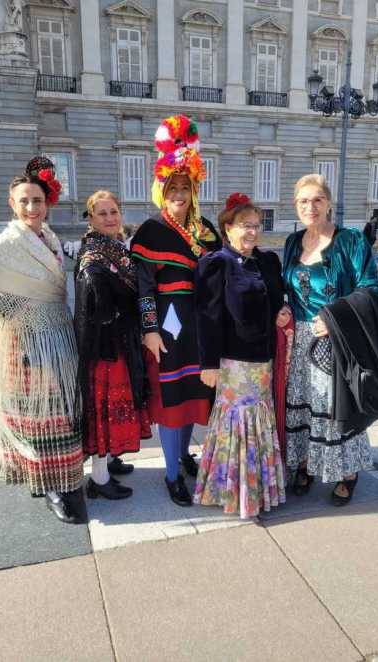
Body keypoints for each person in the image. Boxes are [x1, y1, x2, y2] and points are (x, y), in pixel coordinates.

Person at [0, 157, 85, 524]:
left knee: (60, 413)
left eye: (37, 200)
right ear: (12, 204)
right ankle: (50, 486)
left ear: (47, 203)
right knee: (39, 415)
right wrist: (12, 313)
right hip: (29, 342)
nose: (31, 207)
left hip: (57, 334)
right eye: (24, 201)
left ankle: (64, 478)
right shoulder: (10, 242)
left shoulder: (49, 238)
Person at [131, 114, 221, 506]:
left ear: (195, 189)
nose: (179, 195)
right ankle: (171, 476)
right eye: (172, 189)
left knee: (194, 394)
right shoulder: (151, 230)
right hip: (168, 330)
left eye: (185, 187)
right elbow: (144, 287)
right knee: (172, 400)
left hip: (201, 326)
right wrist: (150, 330)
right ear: (161, 191)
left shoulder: (206, 230)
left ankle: (184, 456)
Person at [283, 174, 378, 506]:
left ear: (328, 203)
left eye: (317, 200)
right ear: (295, 205)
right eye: (303, 201)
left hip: (336, 339)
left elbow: (371, 288)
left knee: (334, 407)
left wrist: (333, 316)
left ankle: (347, 472)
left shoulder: (351, 240)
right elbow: (289, 288)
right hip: (299, 341)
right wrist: (284, 307)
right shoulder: (292, 242)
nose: (310, 207)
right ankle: (307, 463)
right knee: (303, 405)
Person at [193, 193, 288, 518]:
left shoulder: (267, 261)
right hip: (233, 361)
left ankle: (257, 488)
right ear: (228, 228)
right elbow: (207, 316)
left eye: (256, 225)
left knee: (259, 420)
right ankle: (235, 492)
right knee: (238, 422)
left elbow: (277, 298)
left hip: (264, 359)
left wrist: (281, 311)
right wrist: (208, 363)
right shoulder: (215, 263)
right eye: (245, 225)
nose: (252, 231)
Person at [74, 190, 150, 500]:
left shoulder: (115, 249)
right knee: (105, 412)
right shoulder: (93, 257)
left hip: (120, 341)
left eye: (113, 212)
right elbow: (98, 308)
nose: (109, 218)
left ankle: (110, 460)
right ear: (91, 218)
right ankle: (99, 479)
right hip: (106, 348)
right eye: (102, 213)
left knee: (117, 408)